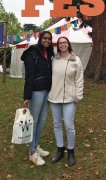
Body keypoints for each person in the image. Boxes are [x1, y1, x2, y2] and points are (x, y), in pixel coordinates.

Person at [48, 36, 84, 166]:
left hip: (70, 98)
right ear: (58, 46)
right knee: (57, 124)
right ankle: (60, 150)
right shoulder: (54, 60)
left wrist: (78, 96)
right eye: (60, 43)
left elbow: (79, 79)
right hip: (54, 97)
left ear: (68, 44)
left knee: (69, 125)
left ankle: (71, 151)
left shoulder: (76, 60)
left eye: (64, 42)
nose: (62, 44)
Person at [21, 31, 54, 166]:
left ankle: (36, 145)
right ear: (40, 39)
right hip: (36, 92)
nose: (47, 40)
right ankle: (32, 152)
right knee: (34, 121)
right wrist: (27, 97)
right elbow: (29, 76)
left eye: (49, 39)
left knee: (42, 121)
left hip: (47, 91)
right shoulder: (32, 53)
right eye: (45, 38)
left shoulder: (50, 53)